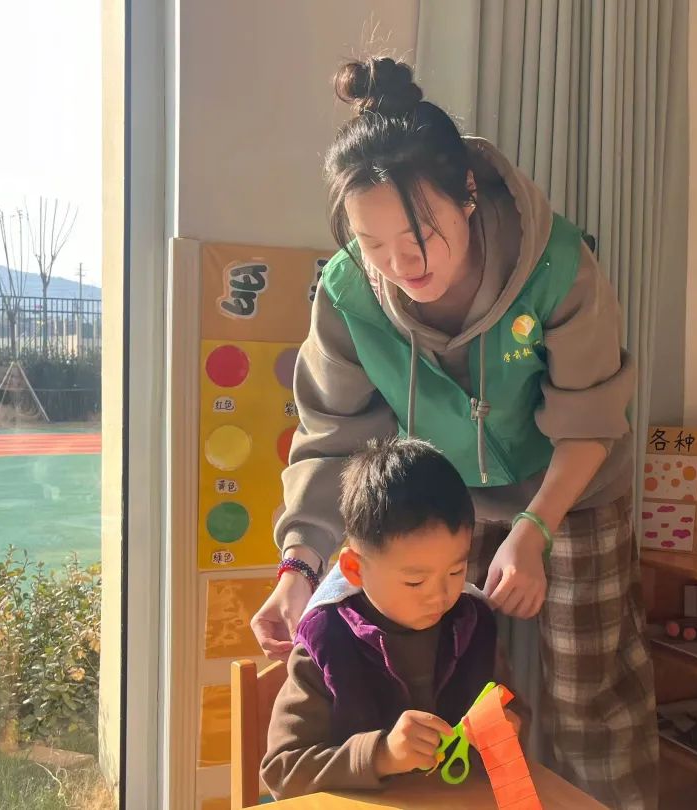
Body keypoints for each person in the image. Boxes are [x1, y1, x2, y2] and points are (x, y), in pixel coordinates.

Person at [252, 55, 656, 807]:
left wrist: (535, 528)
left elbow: (591, 419)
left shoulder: (557, 266)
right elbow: (330, 436)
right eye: (372, 244)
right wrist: (297, 568)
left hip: (572, 490)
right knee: (455, 704)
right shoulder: (349, 294)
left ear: (467, 194)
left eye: (420, 234)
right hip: (446, 506)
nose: (400, 265)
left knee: (587, 697)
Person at [261, 437, 514, 798]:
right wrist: (382, 756)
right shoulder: (327, 641)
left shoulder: (472, 624)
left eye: (456, 572)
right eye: (415, 581)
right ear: (354, 569)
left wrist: (505, 729)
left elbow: (510, 715)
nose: (440, 595)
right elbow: (283, 772)